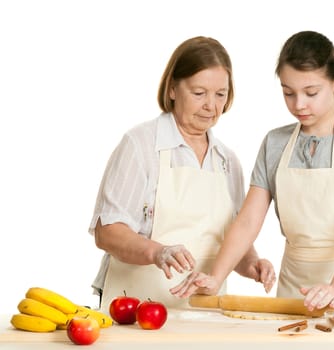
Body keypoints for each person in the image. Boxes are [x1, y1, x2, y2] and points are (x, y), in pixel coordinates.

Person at [170, 31, 334, 314]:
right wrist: (216, 276)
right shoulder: (275, 143)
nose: (299, 104)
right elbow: (249, 220)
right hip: (294, 288)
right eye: (288, 92)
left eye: (311, 93)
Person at [89, 36, 275, 312]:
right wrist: (157, 252)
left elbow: (229, 237)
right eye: (199, 93)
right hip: (135, 308)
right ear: (173, 88)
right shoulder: (140, 145)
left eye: (220, 94)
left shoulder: (227, 161)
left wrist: (251, 264)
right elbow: (107, 233)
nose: (211, 106)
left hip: (204, 313)